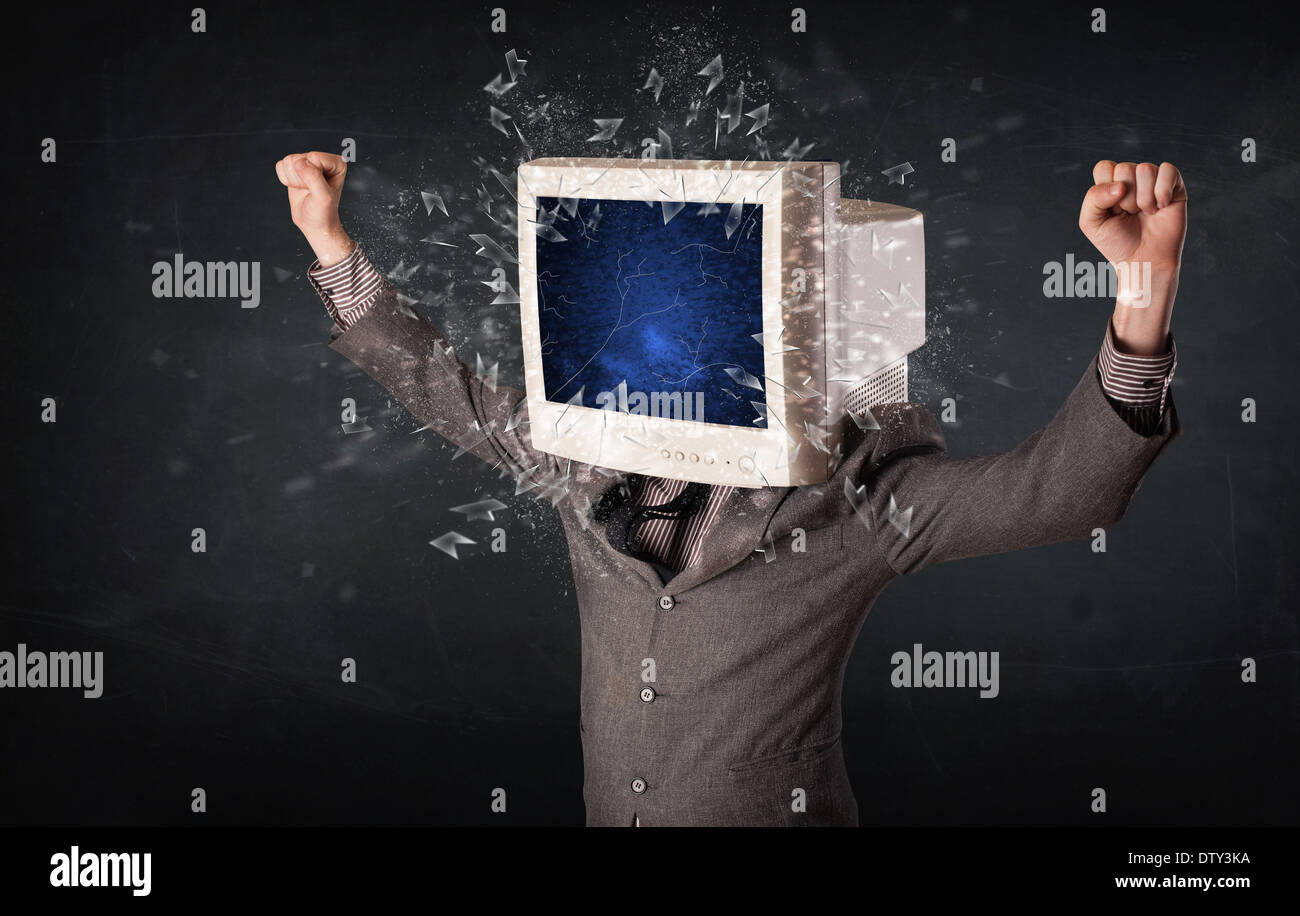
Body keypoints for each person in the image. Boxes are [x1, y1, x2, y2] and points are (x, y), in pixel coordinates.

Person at [276, 151, 1184, 826]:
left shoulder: (855, 504)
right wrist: (328, 238)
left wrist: (1144, 285)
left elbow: (1061, 495)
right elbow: (445, 388)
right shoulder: (583, 454)